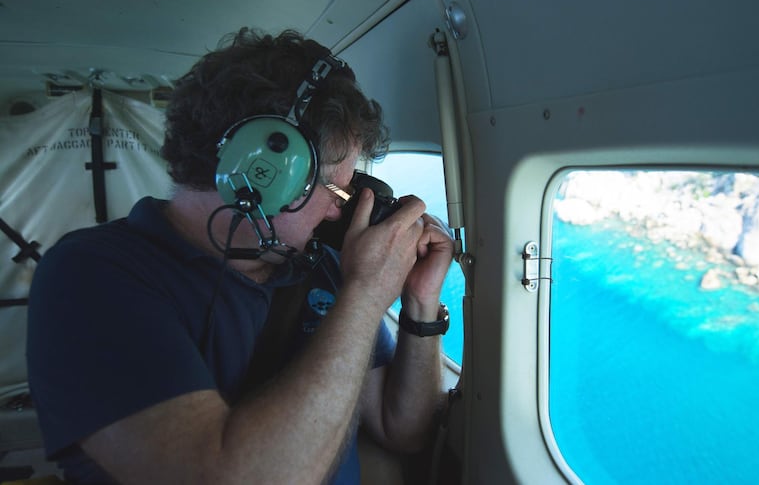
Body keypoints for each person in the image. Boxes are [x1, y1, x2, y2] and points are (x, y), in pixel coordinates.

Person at [26, 28, 454, 484]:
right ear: (259, 171)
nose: (338, 210)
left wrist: (419, 304)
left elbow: (402, 429)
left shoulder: (323, 268)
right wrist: (366, 296)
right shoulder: (91, 277)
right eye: (336, 189)